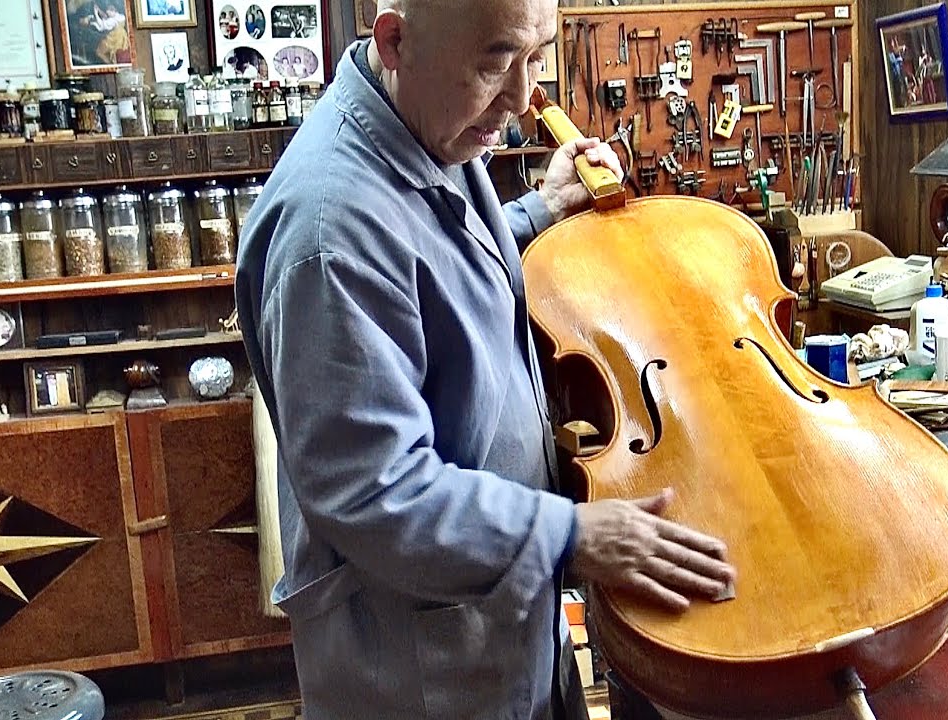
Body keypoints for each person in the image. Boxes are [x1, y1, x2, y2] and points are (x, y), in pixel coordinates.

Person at [235, 0, 736, 718]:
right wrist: (570, 535)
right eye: (497, 62)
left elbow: (427, 263)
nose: (524, 96)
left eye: (538, 56)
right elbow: (374, 492)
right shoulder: (330, 233)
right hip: (422, 669)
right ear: (396, 40)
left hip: (496, 621)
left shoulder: (427, 130)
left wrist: (536, 211)